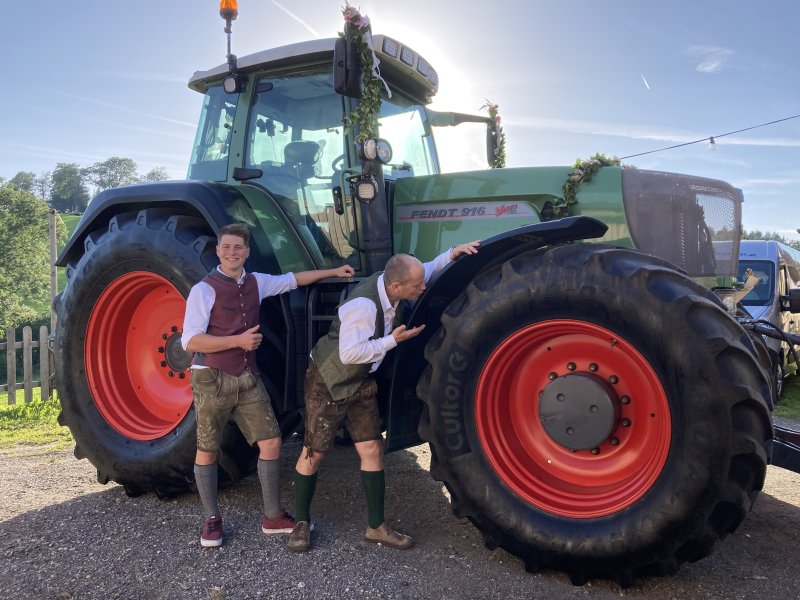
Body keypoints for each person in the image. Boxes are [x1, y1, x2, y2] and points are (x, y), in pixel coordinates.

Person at [288, 240, 481, 552]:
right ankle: (300, 522)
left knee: (372, 450)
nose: (423, 288)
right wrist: (393, 340)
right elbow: (349, 354)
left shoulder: (395, 282)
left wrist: (450, 254)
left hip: (362, 381)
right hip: (330, 380)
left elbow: (423, 271)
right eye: (418, 286)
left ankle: (376, 526)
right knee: (315, 451)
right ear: (396, 286)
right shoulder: (363, 307)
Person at [181, 222, 354, 548]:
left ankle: (272, 516)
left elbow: (293, 280)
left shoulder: (256, 282)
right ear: (218, 251)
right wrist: (238, 341)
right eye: (226, 247)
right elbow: (190, 341)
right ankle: (212, 520)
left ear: (247, 252)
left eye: (238, 248)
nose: (232, 253)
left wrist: (334, 271)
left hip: (247, 377)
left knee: (272, 441)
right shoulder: (204, 290)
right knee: (207, 448)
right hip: (211, 378)